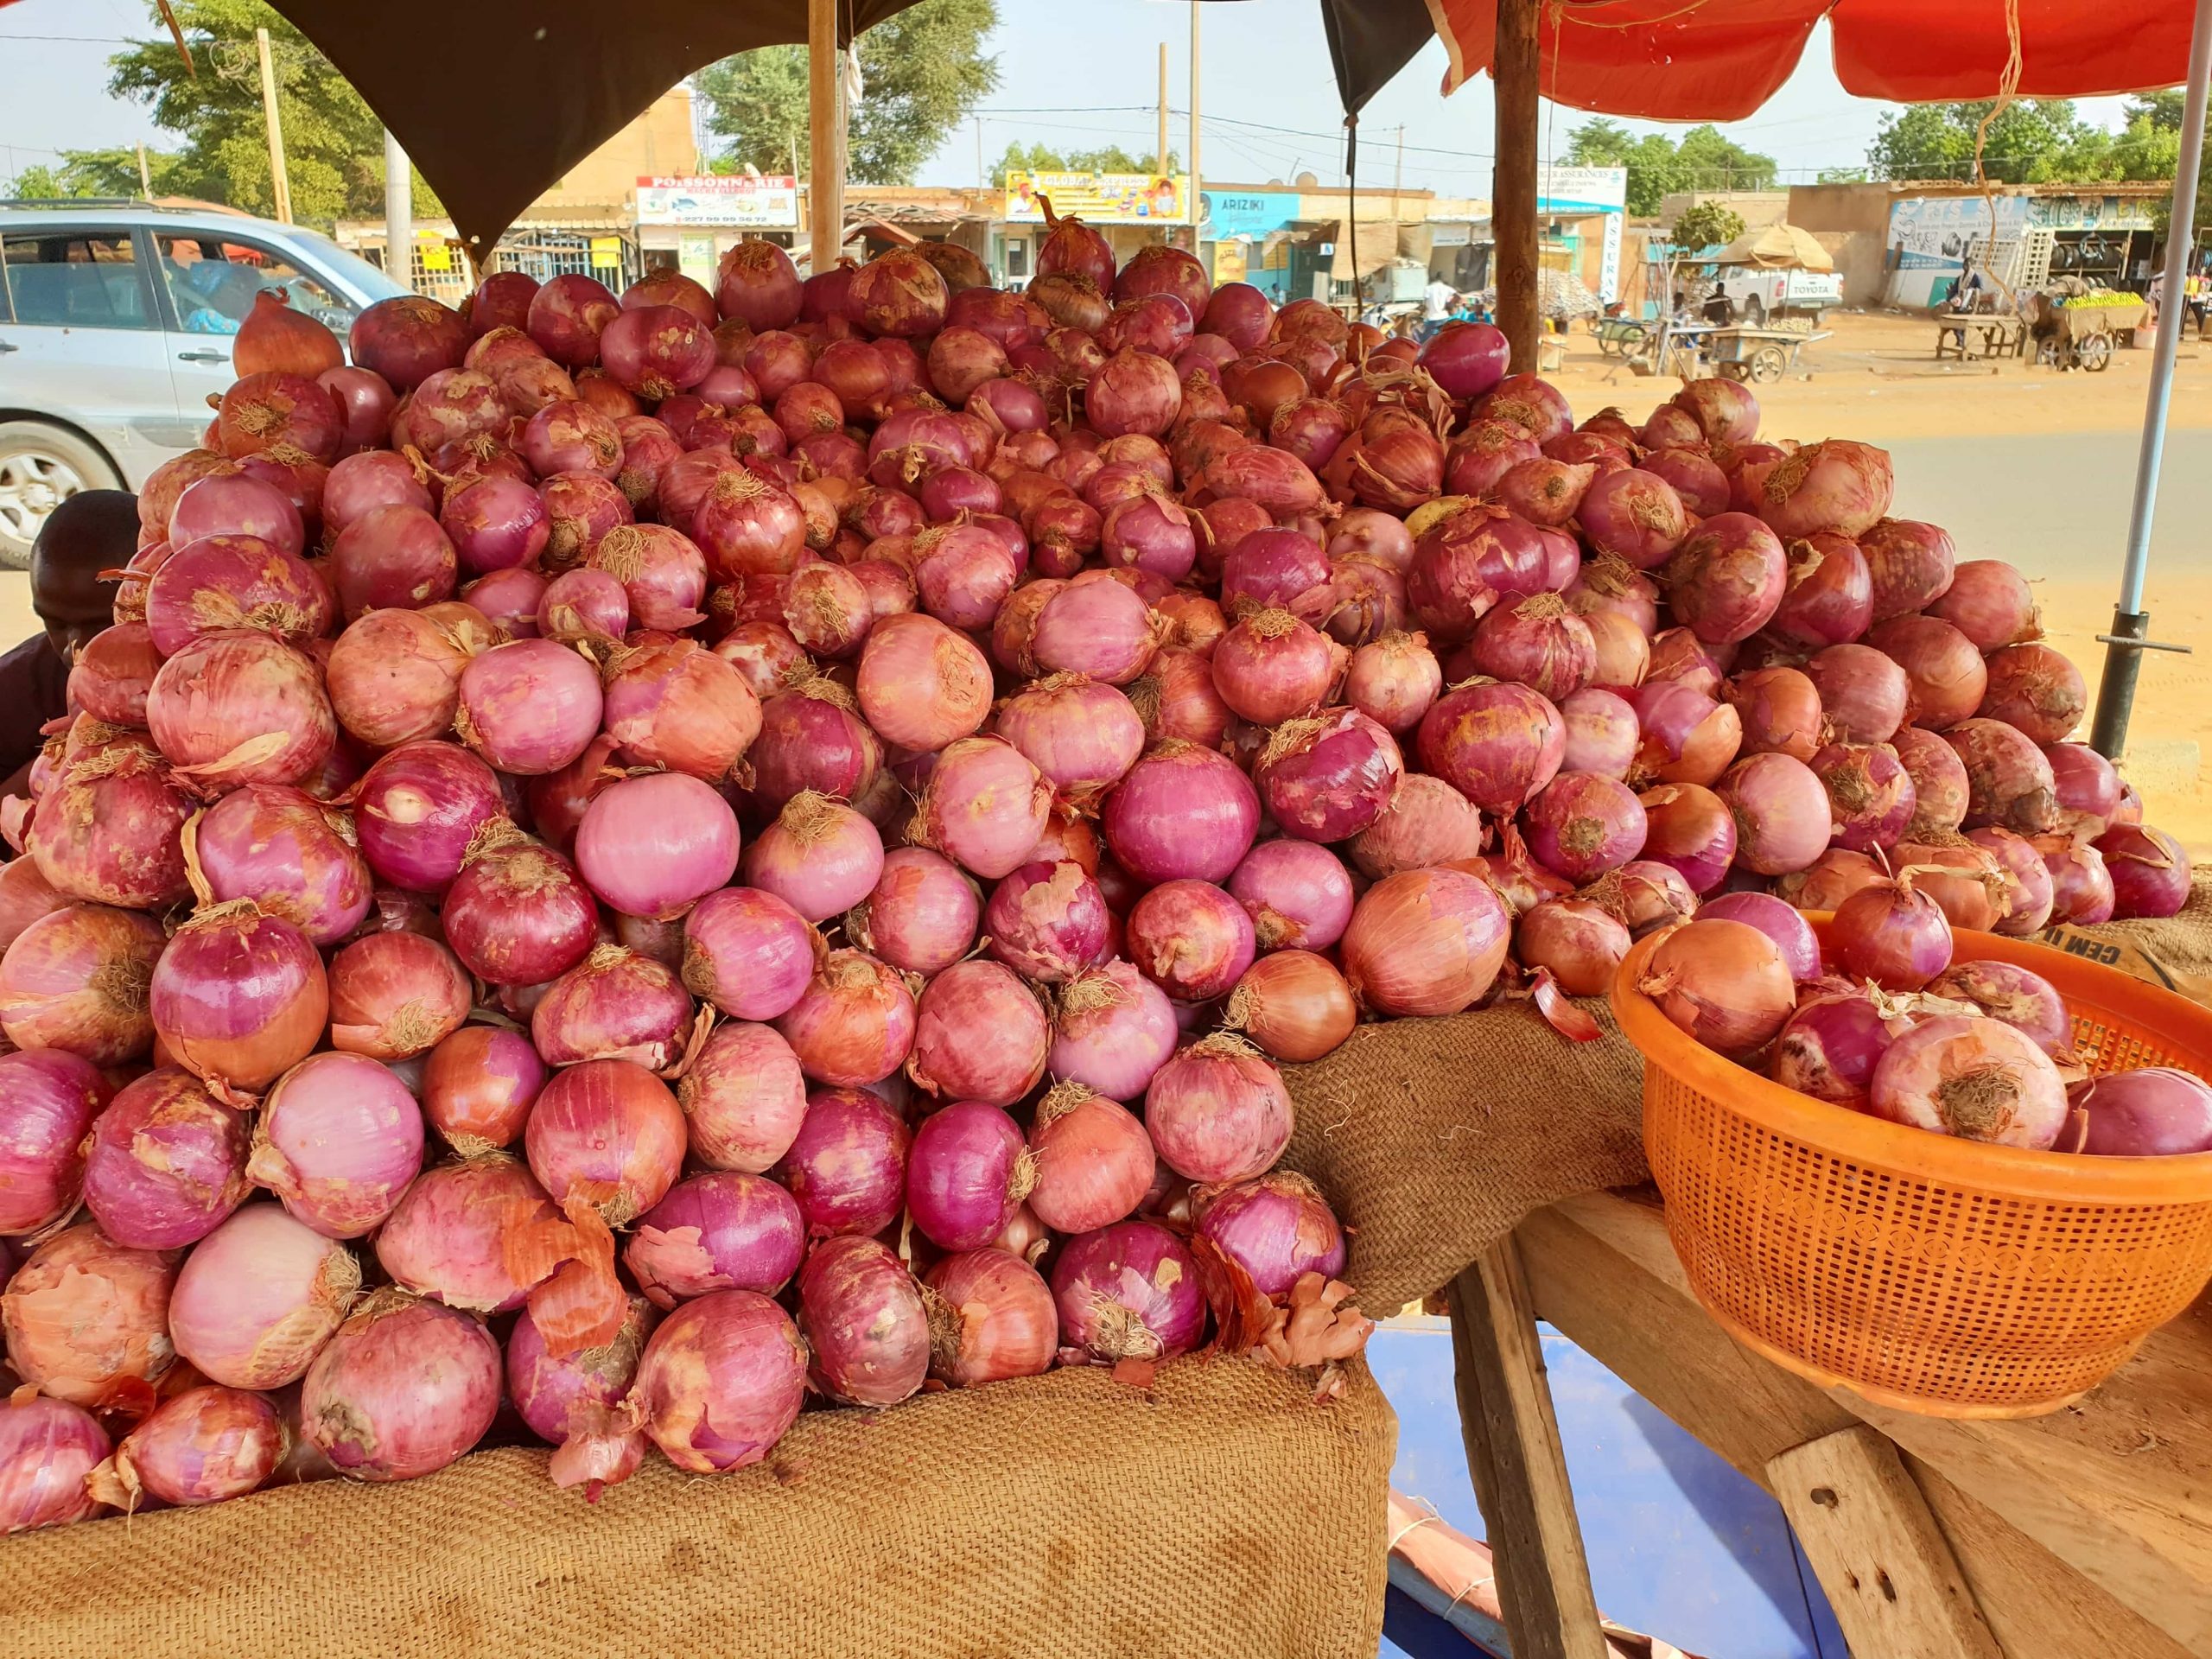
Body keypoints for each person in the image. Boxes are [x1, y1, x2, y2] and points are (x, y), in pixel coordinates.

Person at [0, 490, 132, 803]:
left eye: (102, 624)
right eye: (55, 623)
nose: (74, 649)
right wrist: (57, 766)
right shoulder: (12, 692)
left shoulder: (215, 680)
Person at [1420, 276, 1458, 342]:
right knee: (1443, 339)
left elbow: (1425, 304)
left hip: (1432, 318)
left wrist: (1422, 312)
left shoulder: (1428, 288)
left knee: (1426, 341)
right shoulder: (1447, 288)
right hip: (1444, 317)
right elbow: (1458, 296)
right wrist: (1450, 304)